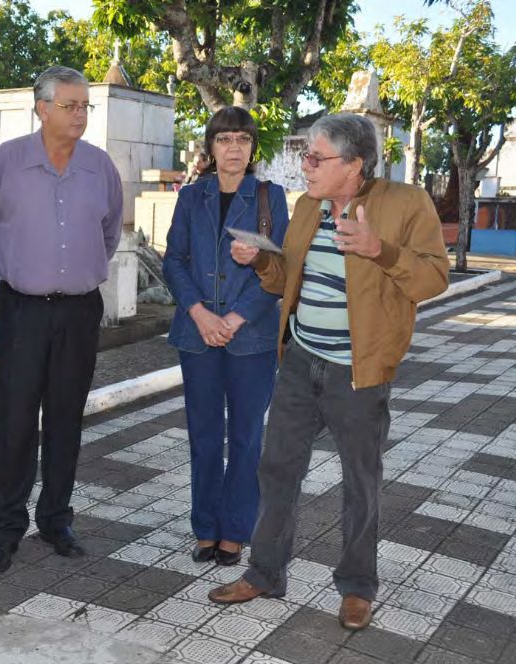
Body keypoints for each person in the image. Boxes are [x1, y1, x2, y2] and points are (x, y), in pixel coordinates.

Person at [208, 113, 448, 631]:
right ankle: (265, 572)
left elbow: (433, 278)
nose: (306, 165)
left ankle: (357, 587)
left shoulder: (406, 204)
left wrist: (379, 250)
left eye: (316, 157)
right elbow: (286, 280)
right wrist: (259, 261)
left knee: (360, 481)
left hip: (357, 371)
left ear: (354, 165)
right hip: (299, 360)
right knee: (277, 470)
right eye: (306, 156)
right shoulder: (307, 207)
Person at [0, 65, 123, 574]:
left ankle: (56, 519)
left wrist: (73, 272)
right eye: (69, 105)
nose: (80, 114)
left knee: (65, 419)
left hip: (79, 311)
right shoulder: (7, 162)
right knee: (14, 422)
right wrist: (20, 264)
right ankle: (4, 529)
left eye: (84, 106)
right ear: (42, 109)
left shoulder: (99, 167)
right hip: (22, 312)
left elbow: (109, 234)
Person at [162, 106, 289, 567]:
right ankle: (206, 527)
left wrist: (234, 319)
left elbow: (280, 269)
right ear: (211, 147)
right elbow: (174, 260)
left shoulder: (269, 198)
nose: (233, 148)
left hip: (250, 338)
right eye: (224, 139)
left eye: (242, 139)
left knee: (246, 436)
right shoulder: (191, 197)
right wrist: (199, 314)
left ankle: (235, 530)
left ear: (253, 148)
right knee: (204, 435)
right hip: (197, 334)